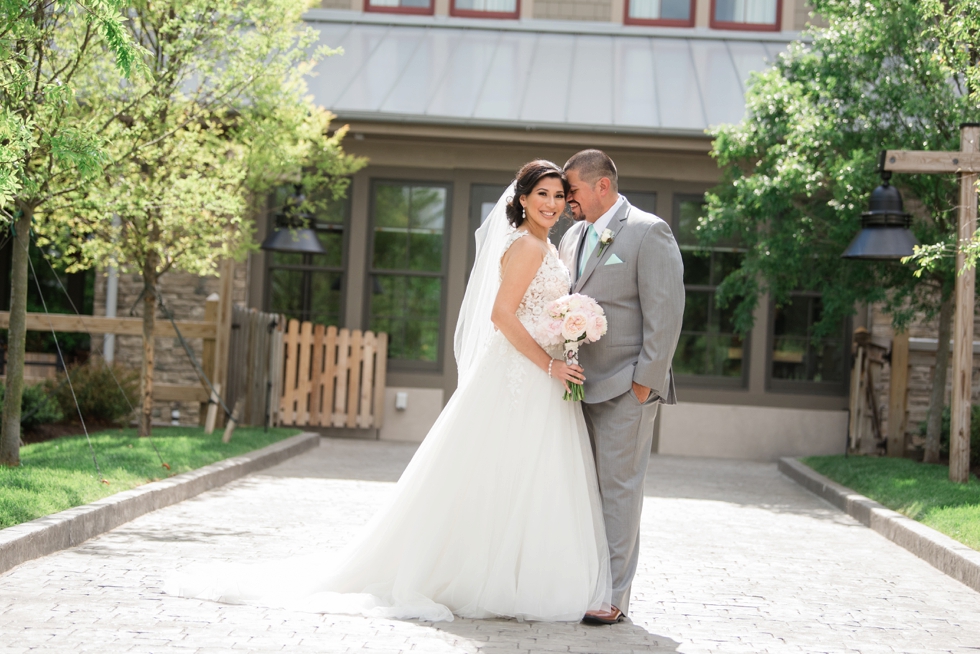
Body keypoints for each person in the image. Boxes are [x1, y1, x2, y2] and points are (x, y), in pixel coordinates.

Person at [166, 160, 612, 623]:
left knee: (527, 476)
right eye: (542, 194)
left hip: (543, 377)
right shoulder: (526, 248)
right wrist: (550, 364)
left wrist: (568, 333)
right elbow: (501, 316)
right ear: (522, 199)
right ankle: (485, 577)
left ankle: (518, 574)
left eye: (560, 196)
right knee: (503, 472)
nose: (552, 204)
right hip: (524, 375)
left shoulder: (548, 246)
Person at [558, 149, 684, 625]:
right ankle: (582, 583)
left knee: (619, 492)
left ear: (602, 187)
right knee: (582, 492)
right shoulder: (573, 235)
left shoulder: (648, 232)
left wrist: (643, 387)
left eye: (572, 189)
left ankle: (613, 598)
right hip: (577, 390)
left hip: (626, 389)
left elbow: (666, 315)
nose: (567, 198)